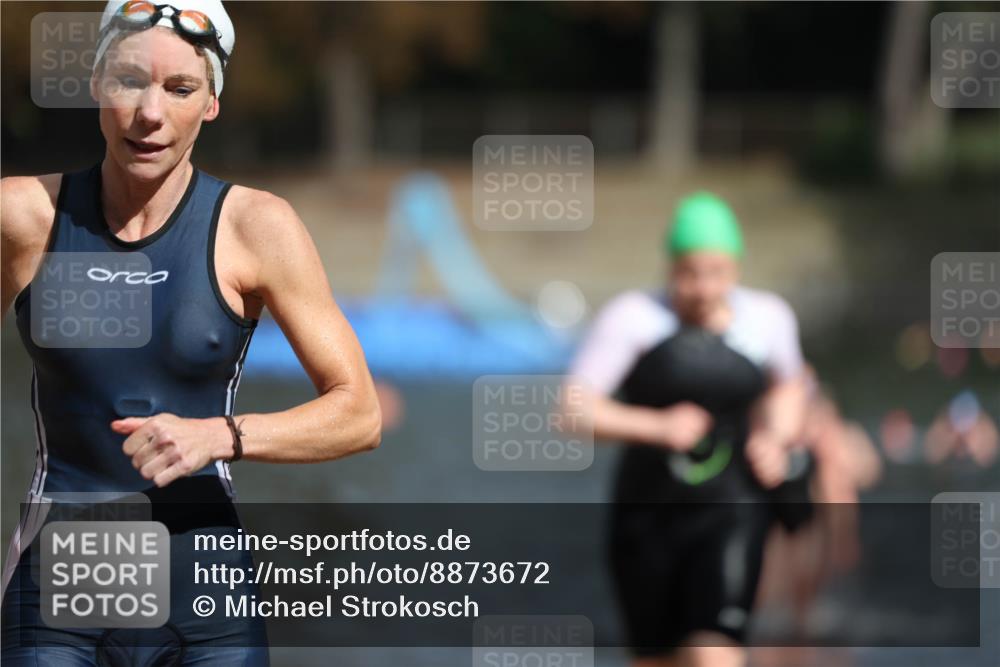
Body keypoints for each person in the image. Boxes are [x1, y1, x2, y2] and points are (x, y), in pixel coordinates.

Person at [0, 1, 381, 664]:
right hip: (60, 589)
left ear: (211, 103)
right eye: (128, 82)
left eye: (180, 89)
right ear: (94, 85)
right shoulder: (25, 215)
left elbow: (358, 413)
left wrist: (221, 436)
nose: (151, 114)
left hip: (206, 595)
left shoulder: (256, 227)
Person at [567, 192, 807, 667]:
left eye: (716, 273)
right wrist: (656, 425)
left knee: (714, 653)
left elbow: (791, 387)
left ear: (736, 269)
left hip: (733, 506)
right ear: (670, 265)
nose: (702, 288)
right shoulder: (633, 317)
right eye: (689, 273)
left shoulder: (768, 318)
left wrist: (776, 438)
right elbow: (572, 410)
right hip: (648, 516)